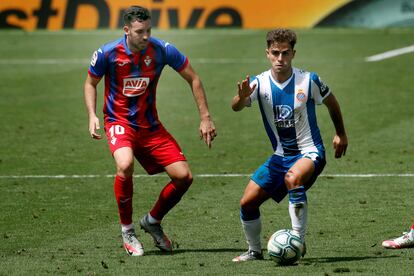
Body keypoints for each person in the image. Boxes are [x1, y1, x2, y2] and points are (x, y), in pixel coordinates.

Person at [83, 6, 216, 256]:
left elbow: (193, 78)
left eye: (148, 30)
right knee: (124, 164)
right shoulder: (108, 53)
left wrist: (205, 117)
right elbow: (91, 82)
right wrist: (91, 115)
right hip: (119, 121)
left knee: (183, 177)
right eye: (139, 31)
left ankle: (152, 221)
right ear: (126, 30)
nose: (145, 36)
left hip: (150, 126)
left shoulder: (162, 50)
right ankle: (128, 231)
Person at [231, 28, 348, 262]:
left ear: (293, 53)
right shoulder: (258, 83)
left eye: (285, 53)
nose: (280, 59)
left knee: (292, 178)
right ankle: (254, 250)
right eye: (275, 53)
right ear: (267, 53)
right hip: (280, 155)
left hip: (310, 151)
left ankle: (298, 241)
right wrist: (242, 97)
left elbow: (332, 103)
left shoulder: (309, 80)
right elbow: (235, 106)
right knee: (247, 202)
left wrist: (340, 134)